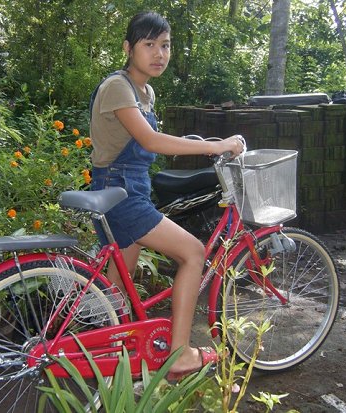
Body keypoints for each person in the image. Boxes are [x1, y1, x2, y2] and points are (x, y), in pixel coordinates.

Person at [89, 11, 245, 379]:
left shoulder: (144, 90)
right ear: (128, 48)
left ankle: (103, 358)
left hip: (124, 188)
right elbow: (150, 140)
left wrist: (203, 144)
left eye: (165, 45)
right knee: (193, 252)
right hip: (120, 191)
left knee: (115, 292)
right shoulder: (117, 87)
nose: (159, 53)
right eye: (149, 45)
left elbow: (145, 141)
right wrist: (215, 147)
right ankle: (179, 354)